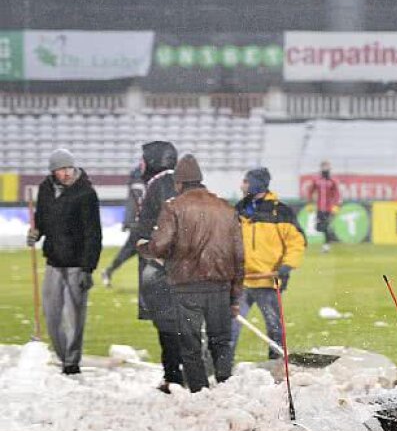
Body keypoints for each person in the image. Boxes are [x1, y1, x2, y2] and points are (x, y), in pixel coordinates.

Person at [140, 155, 243, 392]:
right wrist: (235, 296)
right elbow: (239, 255)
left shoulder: (173, 207)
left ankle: (199, 393)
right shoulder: (226, 208)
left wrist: (143, 247)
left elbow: (159, 246)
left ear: (179, 183)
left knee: (190, 345)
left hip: (186, 288)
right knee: (221, 342)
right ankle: (226, 387)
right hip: (220, 286)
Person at [28, 148, 101, 375]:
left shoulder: (86, 193)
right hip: (53, 261)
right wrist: (35, 233)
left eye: (69, 168)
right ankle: (62, 356)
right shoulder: (45, 189)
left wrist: (88, 269)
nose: (66, 173)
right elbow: (41, 219)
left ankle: (71, 361)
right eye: (61, 170)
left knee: (75, 316)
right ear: (53, 172)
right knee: (52, 314)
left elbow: (93, 234)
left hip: (78, 264)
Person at [231, 167, 306, 360]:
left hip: (269, 283)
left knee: (275, 330)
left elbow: (297, 242)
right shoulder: (238, 210)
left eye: (246, 182)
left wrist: (287, 266)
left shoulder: (281, 211)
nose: (242, 186)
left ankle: (277, 367)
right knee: (229, 330)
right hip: (241, 283)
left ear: (257, 184)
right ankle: (221, 372)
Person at [132, 140, 185, 390]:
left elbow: (164, 228)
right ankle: (176, 374)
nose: (140, 164)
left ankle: (176, 376)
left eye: (143, 158)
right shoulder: (171, 183)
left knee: (169, 325)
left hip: (164, 269)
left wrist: (152, 248)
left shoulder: (161, 184)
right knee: (172, 324)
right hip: (169, 268)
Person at [100, 161, 146, 287]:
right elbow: (135, 202)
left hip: (140, 223)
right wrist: (129, 221)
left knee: (129, 252)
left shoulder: (138, 180)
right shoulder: (140, 181)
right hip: (140, 224)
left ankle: (109, 271)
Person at [305, 159, 342, 252]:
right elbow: (310, 191)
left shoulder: (333, 180)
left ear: (330, 168)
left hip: (329, 208)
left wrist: (336, 205)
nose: (325, 168)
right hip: (320, 207)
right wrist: (309, 203)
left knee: (325, 225)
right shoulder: (316, 180)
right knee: (318, 227)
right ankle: (330, 235)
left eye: (327, 166)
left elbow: (337, 194)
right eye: (323, 166)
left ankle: (326, 245)